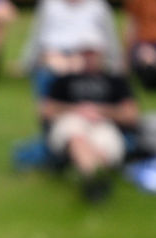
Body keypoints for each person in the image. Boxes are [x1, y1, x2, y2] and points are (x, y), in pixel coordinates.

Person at [40, 36, 139, 202]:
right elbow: (46, 110)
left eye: (92, 53)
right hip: (71, 121)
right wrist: (77, 110)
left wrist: (100, 110)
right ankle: (94, 178)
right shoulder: (65, 80)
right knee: (76, 137)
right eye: (85, 53)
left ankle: (91, 178)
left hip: (105, 124)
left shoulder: (115, 80)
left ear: (101, 54)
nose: (89, 57)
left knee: (103, 144)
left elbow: (131, 114)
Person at [18, 0, 122, 97]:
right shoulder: (49, 5)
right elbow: (37, 36)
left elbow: (110, 38)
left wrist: (114, 65)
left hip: (87, 55)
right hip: (54, 53)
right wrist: (27, 64)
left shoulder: (98, 5)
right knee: (50, 67)